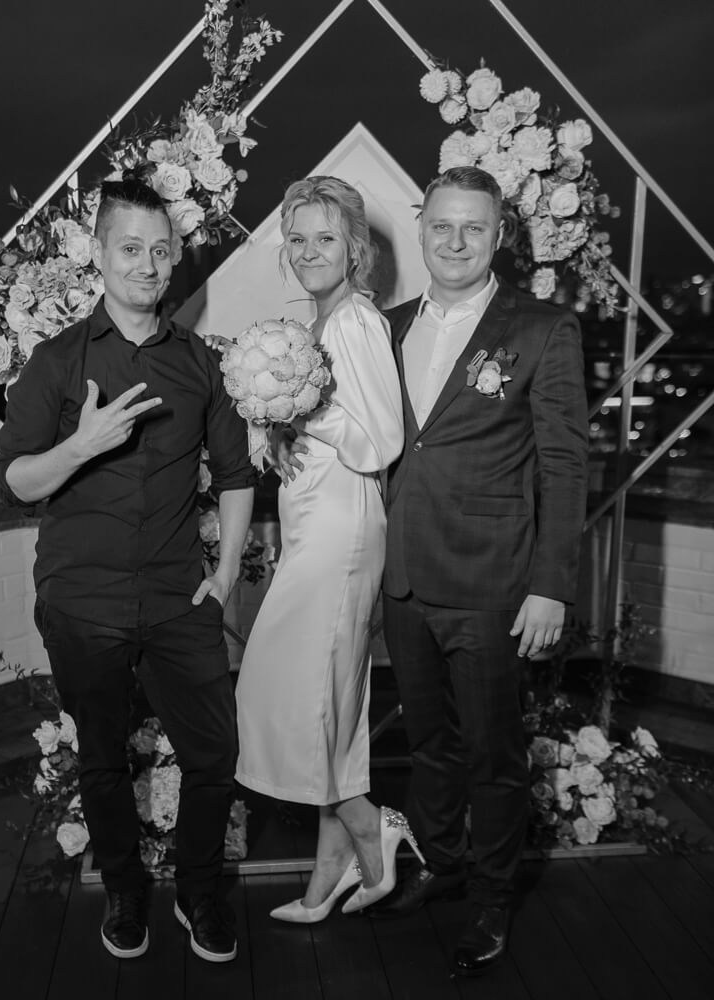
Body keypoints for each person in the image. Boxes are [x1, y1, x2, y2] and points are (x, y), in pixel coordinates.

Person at [0, 179, 256, 964]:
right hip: (84, 603)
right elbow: (12, 484)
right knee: (103, 762)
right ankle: (125, 892)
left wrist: (230, 567)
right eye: (130, 248)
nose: (147, 263)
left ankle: (199, 891)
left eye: (160, 249)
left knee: (214, 759)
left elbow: (237, 475)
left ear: (176, 258)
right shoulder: (58, 361)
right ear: (100, 254)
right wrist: (82, 444)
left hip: (180, 598)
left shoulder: (204, 364)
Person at [369, 166, 589, 975]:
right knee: (428, 746)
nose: (455, 242)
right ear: (422, 227)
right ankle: (440, 861)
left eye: (474, 228)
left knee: (494, 754)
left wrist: (551, 584)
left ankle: (492, 901)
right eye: (441, 226)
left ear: (499, 236)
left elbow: (565, 466)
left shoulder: (541, 328)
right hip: (405, 580)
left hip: (496, 586)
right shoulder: (383, 327)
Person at [234, 175, 415, 922]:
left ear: (356, 250)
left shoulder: (356, 325)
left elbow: (379, 441)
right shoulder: (317, 326)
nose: (311, 251)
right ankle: (331, 865)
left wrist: (306, 407)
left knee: (294, 694)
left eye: (327, 238)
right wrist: (279, 426)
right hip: (319, 524)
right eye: (299, 238)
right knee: (328, 701)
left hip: (344, 532)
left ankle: (373, 826)